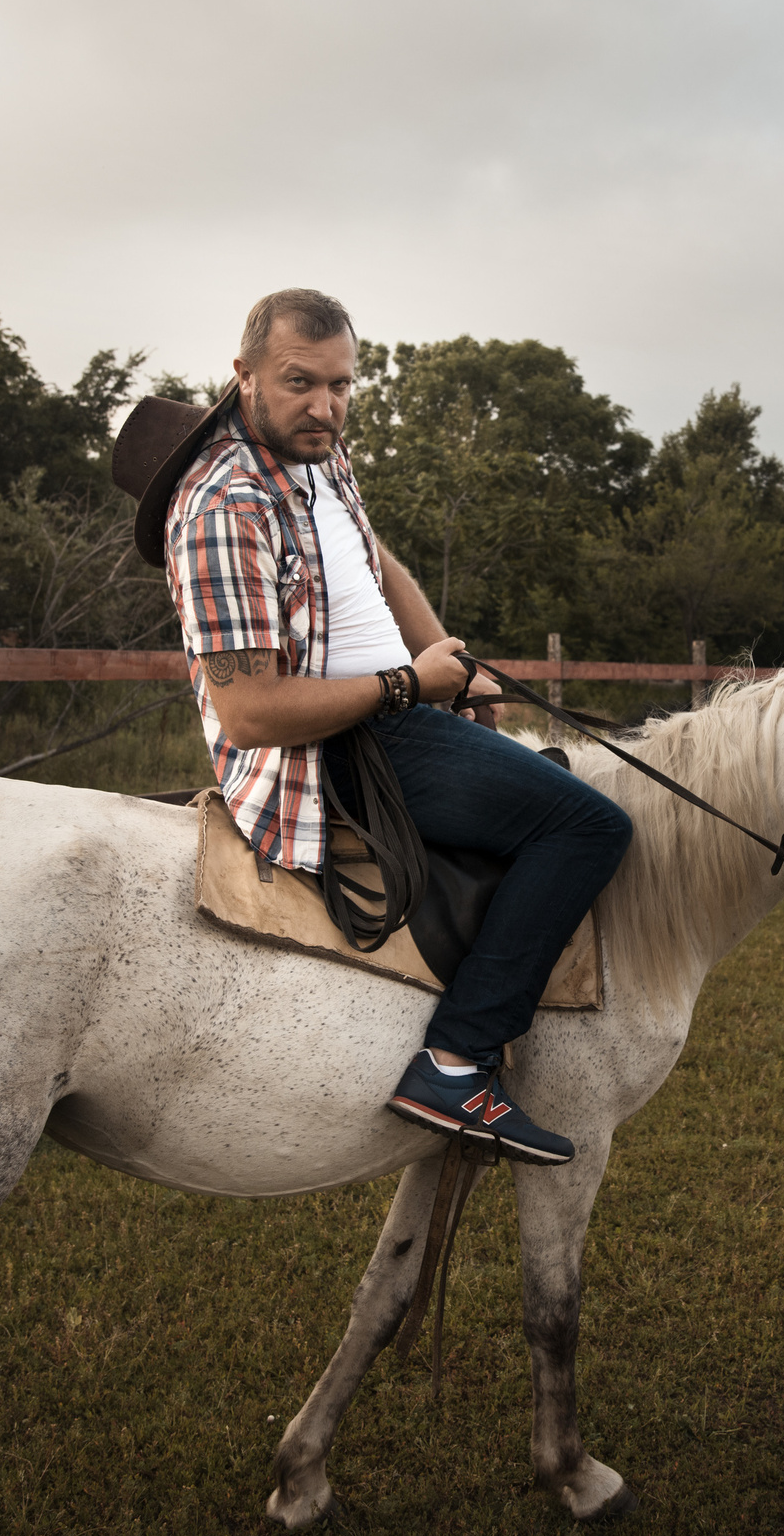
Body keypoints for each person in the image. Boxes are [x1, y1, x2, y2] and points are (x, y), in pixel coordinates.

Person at [110, 288, 632, 1165]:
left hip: (402, 704)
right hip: (340, 748)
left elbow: (371, 557)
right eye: (300, 383)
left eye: (342, 385)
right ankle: (456, 1061)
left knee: (546, 787)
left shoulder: (316, 454)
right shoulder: (223, 510)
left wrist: (446, 660)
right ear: (242, 378)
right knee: (587, 823)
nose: (326, 406)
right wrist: (408, 685)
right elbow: (251, 710)